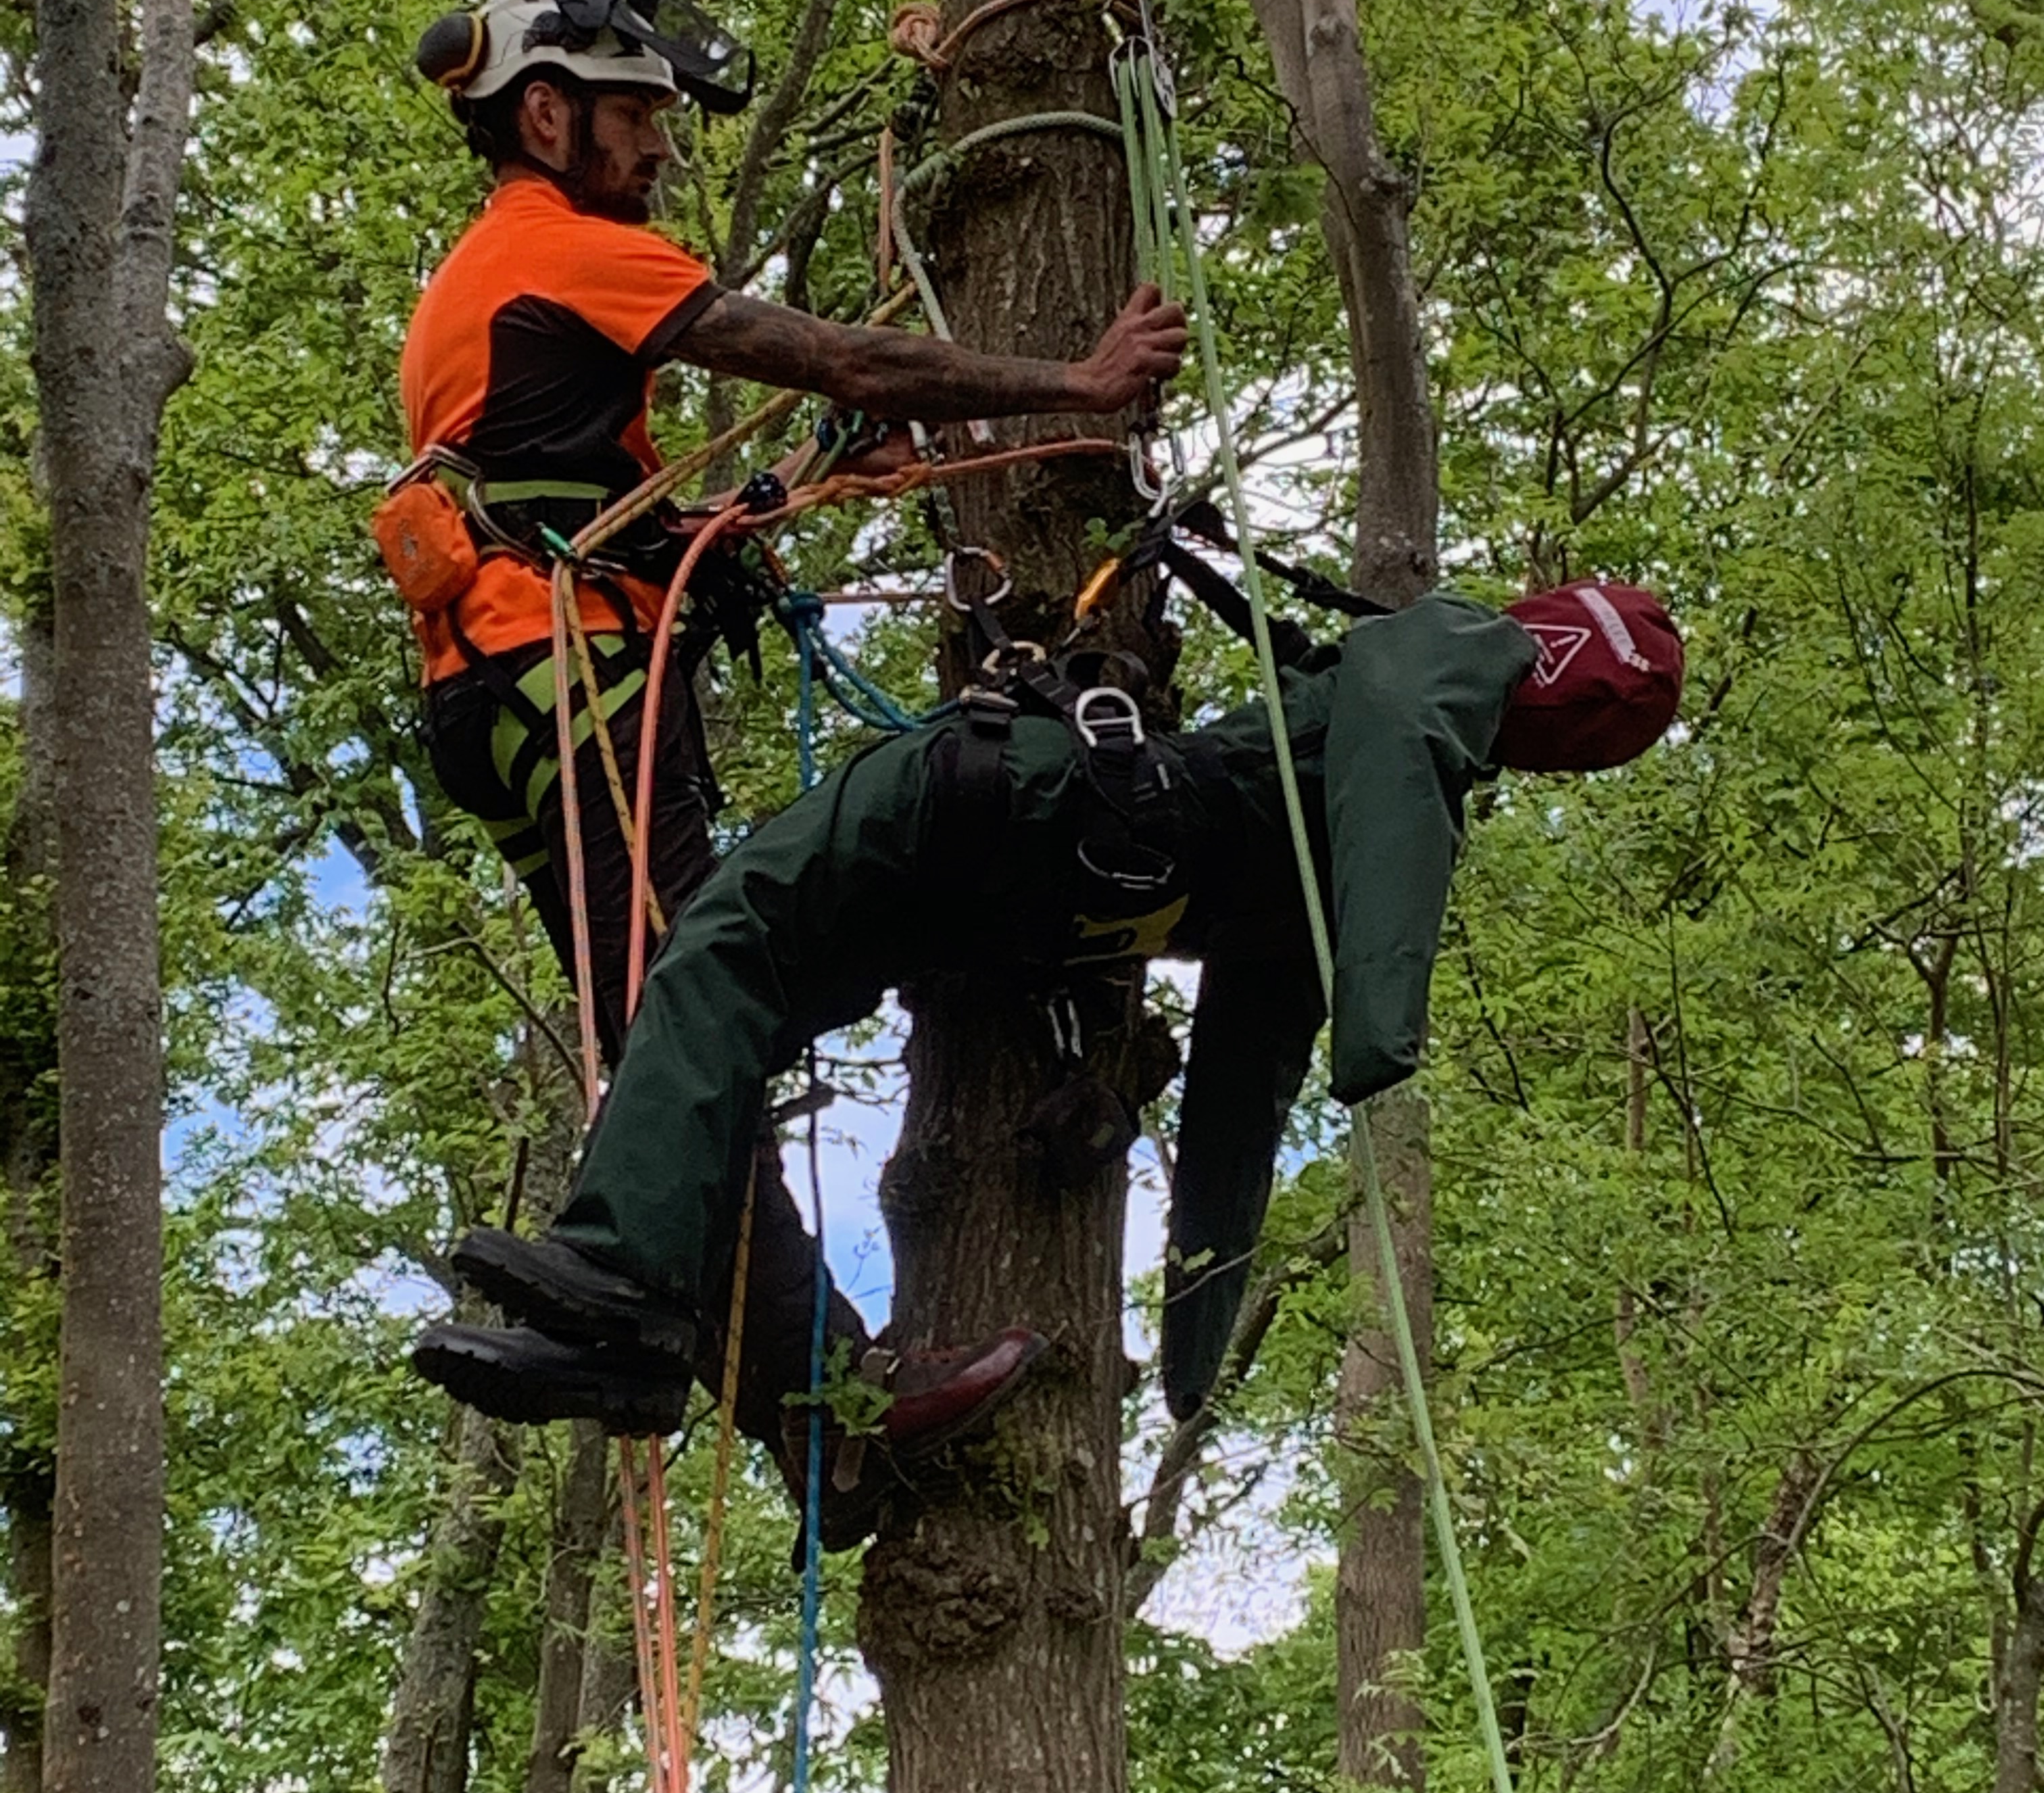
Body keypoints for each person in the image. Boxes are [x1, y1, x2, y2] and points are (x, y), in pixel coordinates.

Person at [385, 0, 1189, 1532]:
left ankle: (812, 1413)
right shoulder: (557, 249)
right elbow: (838, 354)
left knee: (688, 1016)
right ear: (546, 117)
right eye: (635, 116)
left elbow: (563, 494)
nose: (662, 148)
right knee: (710, 999)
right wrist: (1071, 386)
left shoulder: (487, 286)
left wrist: (734, 518)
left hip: (519, 690)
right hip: (569, 688)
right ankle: (694, 1343)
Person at [418, 581, 1682, 1524]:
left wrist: (1381, 1028)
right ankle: (711, 1362)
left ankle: (628, 1290)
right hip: (1021, 898)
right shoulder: (1333, 865)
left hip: (1004, 810)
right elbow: (1243, 1096)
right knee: (726, 1012)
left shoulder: (1448, 656)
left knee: (722, 947)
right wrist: (1197, 1337)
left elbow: (1415, 708)